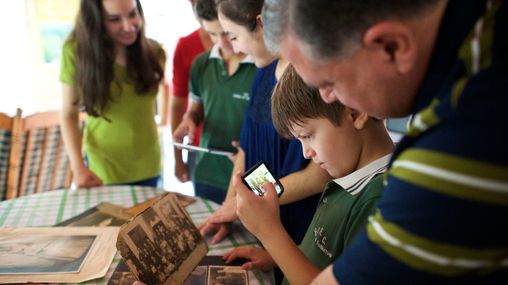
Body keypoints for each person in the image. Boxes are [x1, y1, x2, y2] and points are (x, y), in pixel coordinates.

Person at [264, 0, 508, 284]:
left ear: (391, 46)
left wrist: (268, 231)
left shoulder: (459, 145)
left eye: (328, 82)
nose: (328, 98)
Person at [198, 1, 331, 283]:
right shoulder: (262, 73)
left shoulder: (305, 80)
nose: (233, 49)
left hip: (297, 232)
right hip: (261, 228)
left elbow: (319, 176)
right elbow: (246, 148)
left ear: (260, 24)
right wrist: (230, 204)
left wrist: (253, 200)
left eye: (233, 36)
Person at [227, 65, 394, 285]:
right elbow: (331, 263)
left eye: (308, 135)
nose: (306, 152)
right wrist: (277, 257)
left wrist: (270, 232)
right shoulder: (348, 177)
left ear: (355, 112)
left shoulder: (379, 200)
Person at [60, 0, 165, 188]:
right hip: (102, 171)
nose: (128, 26)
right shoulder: (75, 52)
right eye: (114, 19)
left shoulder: (154, 51)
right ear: (96, 20)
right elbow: (69, 115)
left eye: (133, 14)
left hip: (150, 167)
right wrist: (78, 167)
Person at [172, 0, 256, 204]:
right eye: (212, 34)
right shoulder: (201, 64)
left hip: (249, 177)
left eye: (226, 33)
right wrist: (190, 119)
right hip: (206, 173)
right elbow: (196, 108)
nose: (222, 42)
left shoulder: (260, 64)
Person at [170, 0, 213, 183]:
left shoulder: (247, 44)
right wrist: (178, 158)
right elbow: (178, 106)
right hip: (199, 149)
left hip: (240, 151)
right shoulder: (186, 46)